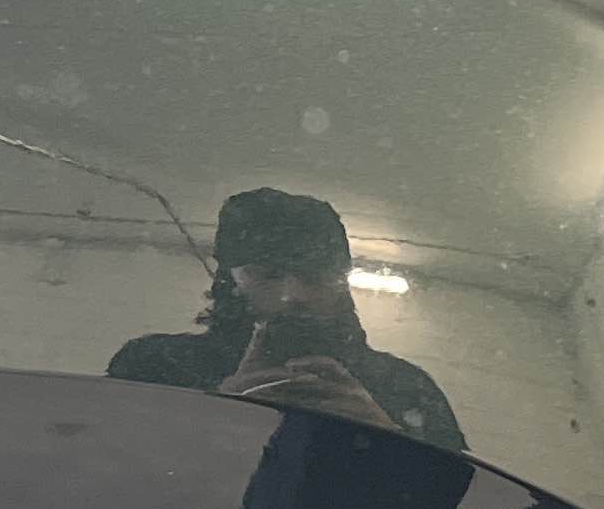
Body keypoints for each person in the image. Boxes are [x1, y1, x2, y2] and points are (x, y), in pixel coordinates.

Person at [109, 187, 464, 451]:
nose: (293, 294)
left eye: (314, 276)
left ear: (340, 281)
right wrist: (216, 411)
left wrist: (386, 439)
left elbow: (458, 505)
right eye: (269, 274)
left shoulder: (406, 387)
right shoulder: (154, 365)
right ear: (232, 280)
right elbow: (107, 471)